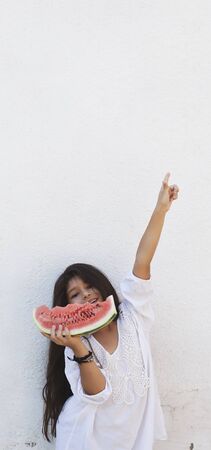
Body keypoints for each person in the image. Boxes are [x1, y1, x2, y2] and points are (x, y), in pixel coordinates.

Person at [41, 172, 179, 450]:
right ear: (66, 307)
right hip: (84, 440)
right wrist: (79, 348)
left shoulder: (133, 317)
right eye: (75, 295)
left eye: (90, 287)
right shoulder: (76, 346)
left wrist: (161, 209)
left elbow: (143, 261)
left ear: (103, 288)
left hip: (131, 440)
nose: (87, 295)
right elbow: (97, 394)